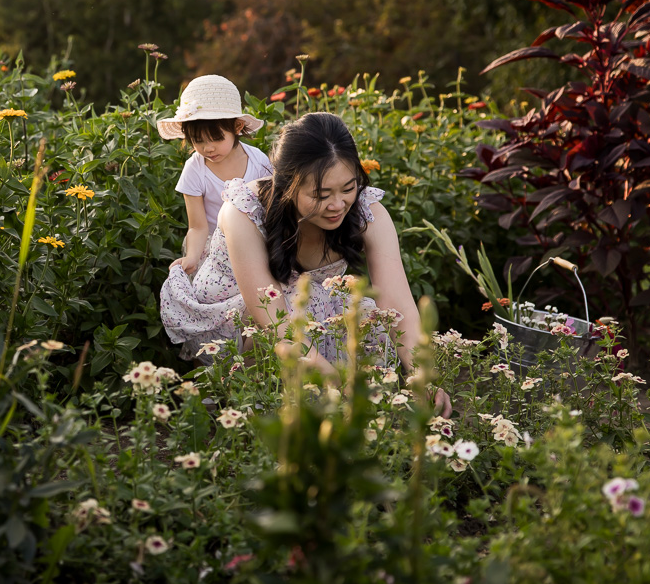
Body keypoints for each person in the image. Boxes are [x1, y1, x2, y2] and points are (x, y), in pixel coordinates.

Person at [160, 112, 451, 416]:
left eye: (348, 188)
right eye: (320, 194)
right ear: (287, 185)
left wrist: (423, 377)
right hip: (242, 317)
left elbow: (396, 300)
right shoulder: (243, 212)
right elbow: (277, 325)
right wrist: (334, 379)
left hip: (307, 307)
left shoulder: (367, 210)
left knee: (371, 323)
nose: (337, 204)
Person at [156, 75, 274, 275]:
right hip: (214, 251)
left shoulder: (258, 161)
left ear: (237, 127)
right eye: (198, 140)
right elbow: (197, 227)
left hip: (256, 245)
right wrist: (191, 257)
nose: (208, 148)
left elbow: (270, 210)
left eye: (217, 138)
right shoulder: (195, 169)